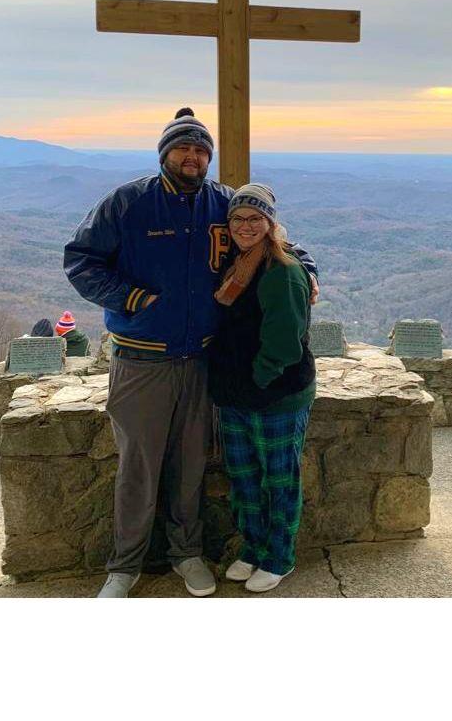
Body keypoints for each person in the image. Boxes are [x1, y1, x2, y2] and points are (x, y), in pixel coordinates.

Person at [63, 108, 318, 599]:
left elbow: (273, 235)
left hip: (202, 359)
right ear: (164, 154)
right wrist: (131, 299)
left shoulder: (221, 202)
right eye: (183, 147)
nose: (192, 156)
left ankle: (187, 554)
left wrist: (307, 269)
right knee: (139, 464)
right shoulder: (128, 203)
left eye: (201, 149)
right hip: (142, 360)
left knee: (191, 465)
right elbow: (80, 259)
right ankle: (124, 566)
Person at [207, 183, 316, 593]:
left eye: (256, 218)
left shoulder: (282, 272)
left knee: (279, 478)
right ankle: (253, 548)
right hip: (236, 394)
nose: (246, 226)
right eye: (238, 218)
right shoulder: (235, 265)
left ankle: (279, 556)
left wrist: (258, 381)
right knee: (245, 477)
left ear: (270, 224)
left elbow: (285, 344)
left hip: (276, 395)